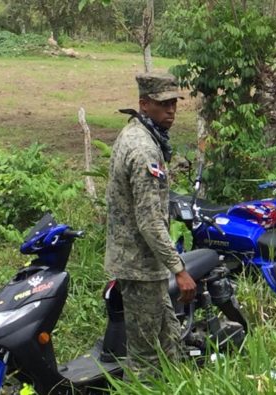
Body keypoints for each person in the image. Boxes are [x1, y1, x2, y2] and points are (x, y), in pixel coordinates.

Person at [104, 72, 197, 378]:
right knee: (146, 359)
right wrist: (180, 270)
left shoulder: (137, 133)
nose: (171, 110)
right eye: (163, 104)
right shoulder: (143, 149)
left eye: (174, 103)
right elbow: (149, 220)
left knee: (168, 341)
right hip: (140, 266)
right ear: (144, 104)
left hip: (143, 263)